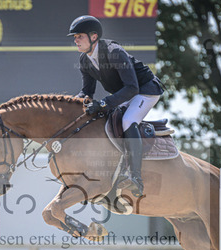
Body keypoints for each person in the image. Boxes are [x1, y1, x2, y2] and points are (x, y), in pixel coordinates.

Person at [68, 15, 164, 197]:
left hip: (146, 90)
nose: (75, 40)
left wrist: (104, 103)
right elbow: (87, 91)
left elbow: (132, 87)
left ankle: (135, 177)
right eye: (75, 37)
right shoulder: (84, 60)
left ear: (93, 36)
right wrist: (72, 106)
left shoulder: (114, 52)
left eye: (79, 36)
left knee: (128, 120)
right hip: (126, 93)